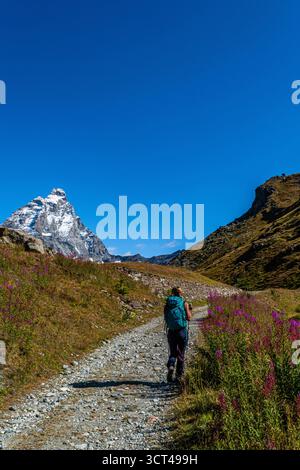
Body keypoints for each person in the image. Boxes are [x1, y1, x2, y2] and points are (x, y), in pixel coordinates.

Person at [164, 287, 192, 383]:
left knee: (173, 352)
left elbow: (165, 316)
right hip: (181, 331)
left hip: (171, 331)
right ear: (180, 293)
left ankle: (171, 365)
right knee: (181, 353)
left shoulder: (168, 303)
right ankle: (179, 376)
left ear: (172, 293)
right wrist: (188, 309)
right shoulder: (184, 302)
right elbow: (189, 317)